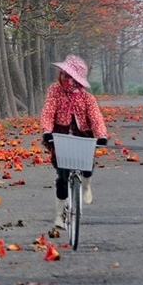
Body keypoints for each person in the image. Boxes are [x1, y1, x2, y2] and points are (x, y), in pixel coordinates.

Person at [40, 55, 108, 228]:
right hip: (60, 136)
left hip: (82, 136)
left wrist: (101, 135)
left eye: (68, 75)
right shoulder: (55, 90)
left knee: (87, 165)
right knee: (62, 177)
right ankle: (59, 214)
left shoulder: (87, 98)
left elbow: (96, 117)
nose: (64, 77)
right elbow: (48, 111)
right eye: (63, 73)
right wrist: (47, 130)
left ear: (76, 80)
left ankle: (86, 185)